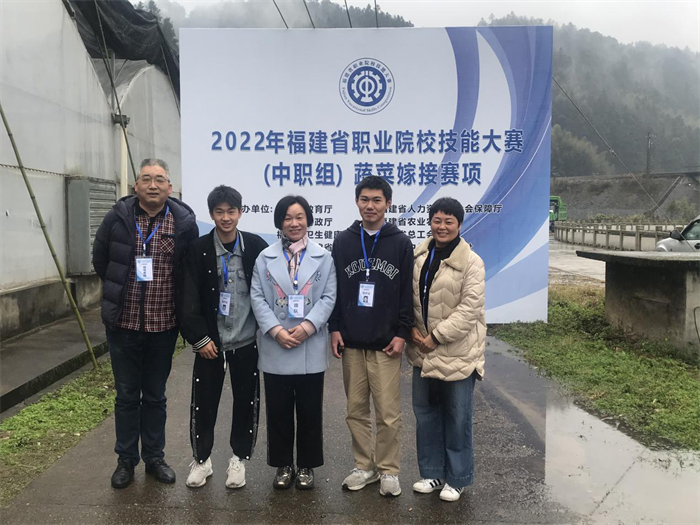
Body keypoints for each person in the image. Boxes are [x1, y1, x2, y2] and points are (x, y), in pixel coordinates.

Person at [93, 158, 198, 489]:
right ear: (135, 185)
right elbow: (101, 260)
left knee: (154, 395)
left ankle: (154, 457)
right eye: (146, 179)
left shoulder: (183, 224)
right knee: (126, 395)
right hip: (123, 325)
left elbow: (188, 272)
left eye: (160, 179)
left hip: (162, 326)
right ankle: (126, 460)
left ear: (170, 187)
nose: (153, 185)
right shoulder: (117, 218)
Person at [328, 176, 413, 497]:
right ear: (356, 202)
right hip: (351, 341)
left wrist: (402, 332)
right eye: (364, 199)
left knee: (388, 413)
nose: (370, 206)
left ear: (388, 203)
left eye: (377, 200)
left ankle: (388, 470)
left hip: (386, 343)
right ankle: (364, 466)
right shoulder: (343, 241)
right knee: (356, 410)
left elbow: (406, 293)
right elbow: (335, 290)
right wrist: (335, 328)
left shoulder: (400, 243)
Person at [180, 185, 268, 489]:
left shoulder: (255, 247)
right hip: (211, 344)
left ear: (240, 213)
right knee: (204, 402)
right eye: (219, 212)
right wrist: (199, 338)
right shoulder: (198, 249)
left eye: (231, 211)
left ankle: (238, 459)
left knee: (245, 401)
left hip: (246, 340)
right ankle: (202, 460)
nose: (226, 217)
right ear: (211, 214)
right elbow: (188, 296)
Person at [250, 195, 337, 490]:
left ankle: (307, 465)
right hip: (277, 344)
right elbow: (257, 297)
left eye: (299, 217)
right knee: (278, 411)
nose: (294, 223)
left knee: (310, 411)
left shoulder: (324, 257)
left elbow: (329, 297)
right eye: (288, 218)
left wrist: (308, 326)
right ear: (280, 222)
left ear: (308, 220)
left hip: (309, 344)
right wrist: (275, 330)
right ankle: (283, 464)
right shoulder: (265, 257)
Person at [407, 197, 485, 502]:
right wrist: (411, 329)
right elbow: (409, 298)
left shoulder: (472, 262)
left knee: (457, 417)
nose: (441, 226)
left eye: (448, 221)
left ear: (459, 225)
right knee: (426, 414)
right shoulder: (419, 256)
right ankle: (432, 473)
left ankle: (457, 478)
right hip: (423, 352)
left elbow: (469, 309)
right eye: (437, 220)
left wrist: (437, 337)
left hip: (457, 353)